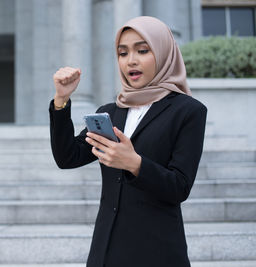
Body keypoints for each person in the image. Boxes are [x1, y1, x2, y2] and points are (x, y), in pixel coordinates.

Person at [49, 16, 207, 267]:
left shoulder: (188, 111)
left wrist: (135, 163)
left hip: (157, 251)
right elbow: (68, 157)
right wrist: (61, 101)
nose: (131, 60)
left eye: (142, 50)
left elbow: (179, 186)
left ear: (164, 53)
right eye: (123, 53)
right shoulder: (111, 111)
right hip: (106, 249)